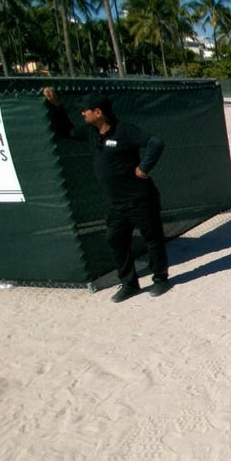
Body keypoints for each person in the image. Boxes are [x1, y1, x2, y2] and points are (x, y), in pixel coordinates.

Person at [42, 88, 170, 302]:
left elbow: (155, 143)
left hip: (140, 199)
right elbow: (67, 131)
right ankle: (129, 284)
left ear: (98, 112)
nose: (82, 114)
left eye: (85, 110)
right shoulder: (91, 133)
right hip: (117, 203)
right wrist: (56, 107)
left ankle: (160, 279)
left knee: (153, 240)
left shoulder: (124, 131)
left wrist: (144, 168)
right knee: (115, 240)